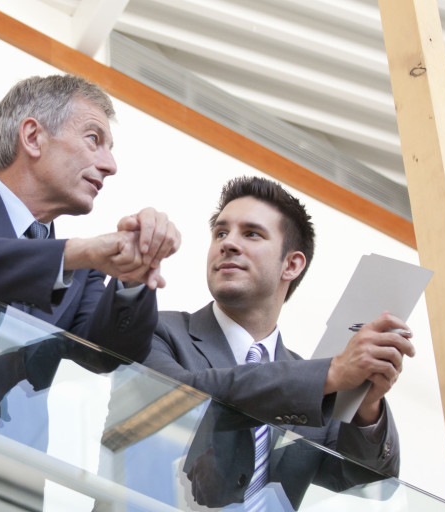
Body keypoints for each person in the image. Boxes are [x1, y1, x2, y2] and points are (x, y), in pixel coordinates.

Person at [0, 74, 181, 425]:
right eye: (94, 139)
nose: (110, 166)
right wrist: (69, 255)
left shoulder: (84, 272)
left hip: (16, 468)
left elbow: (106, 355)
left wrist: (131, 278)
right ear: (33, 137)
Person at [144, 176, 414, 510]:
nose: (227, 243)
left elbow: (371, 483)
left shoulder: (319, 384)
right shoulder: (155, 330)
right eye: (221, 233)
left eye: (252, 233)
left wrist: (366, 405)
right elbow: (186, 397)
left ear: (292, 264)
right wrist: (331, 373)